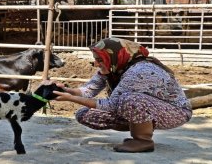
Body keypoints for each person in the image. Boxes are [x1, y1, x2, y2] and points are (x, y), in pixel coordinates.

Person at [51, 38, 192, 153]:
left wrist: (71, 99)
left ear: (115, 55)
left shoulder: (140, 71)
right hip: (148, 109)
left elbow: (111, 105)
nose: (96, 64)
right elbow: (88, 90)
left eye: (99, 59)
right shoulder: (113, 67)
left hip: (175, 112)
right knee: (84, 114)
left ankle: (143, 140)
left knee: (129, 99)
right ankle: (139, 125)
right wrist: (65, 90)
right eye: (96, 59)